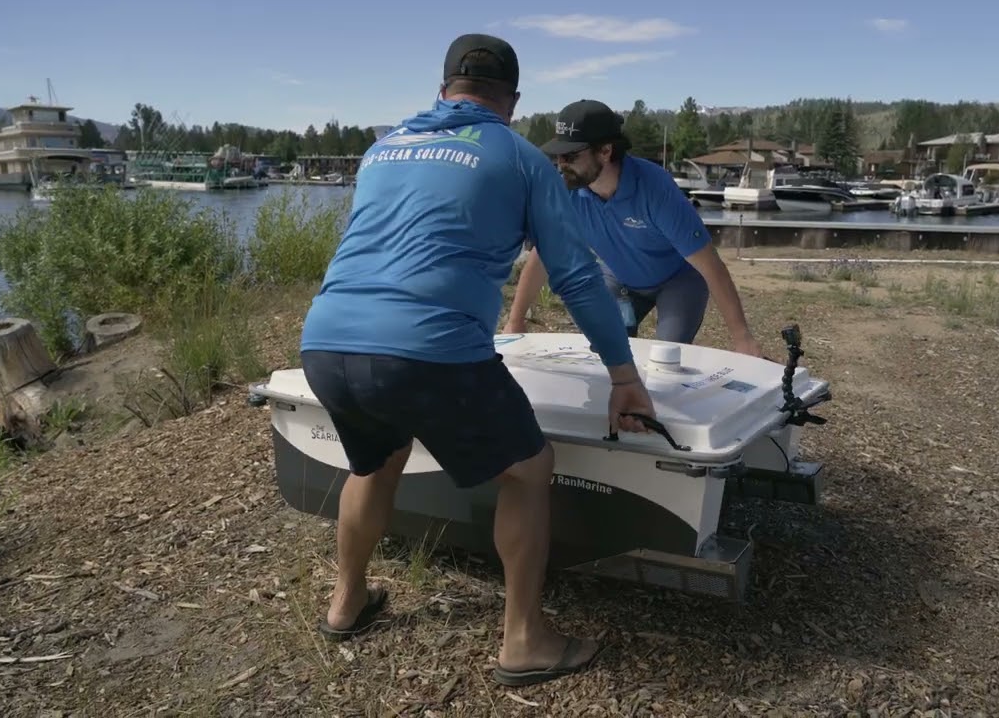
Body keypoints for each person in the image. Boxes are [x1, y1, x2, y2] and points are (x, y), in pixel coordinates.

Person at [297, 34, 656, 687]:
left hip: (327, 338)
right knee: (528, 468)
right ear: (512, 104)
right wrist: (623, 376)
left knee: (375, 462)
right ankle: (524, 641)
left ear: (442, 91)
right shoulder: (520, 159)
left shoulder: (382, 150)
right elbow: (575, 278)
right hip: (429, 348)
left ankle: (346, 602)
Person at [502, 99, 765, 358]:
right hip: (618, 279)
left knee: (665, 358)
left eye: (570, 156)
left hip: (677, 280)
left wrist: (742, 338)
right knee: (604, 351)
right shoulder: (566, 192)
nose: (561, 165)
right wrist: (515, 321)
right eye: (557, 156)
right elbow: (542, 256)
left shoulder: (655, 189)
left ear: (605, 151)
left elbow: (711, 266)